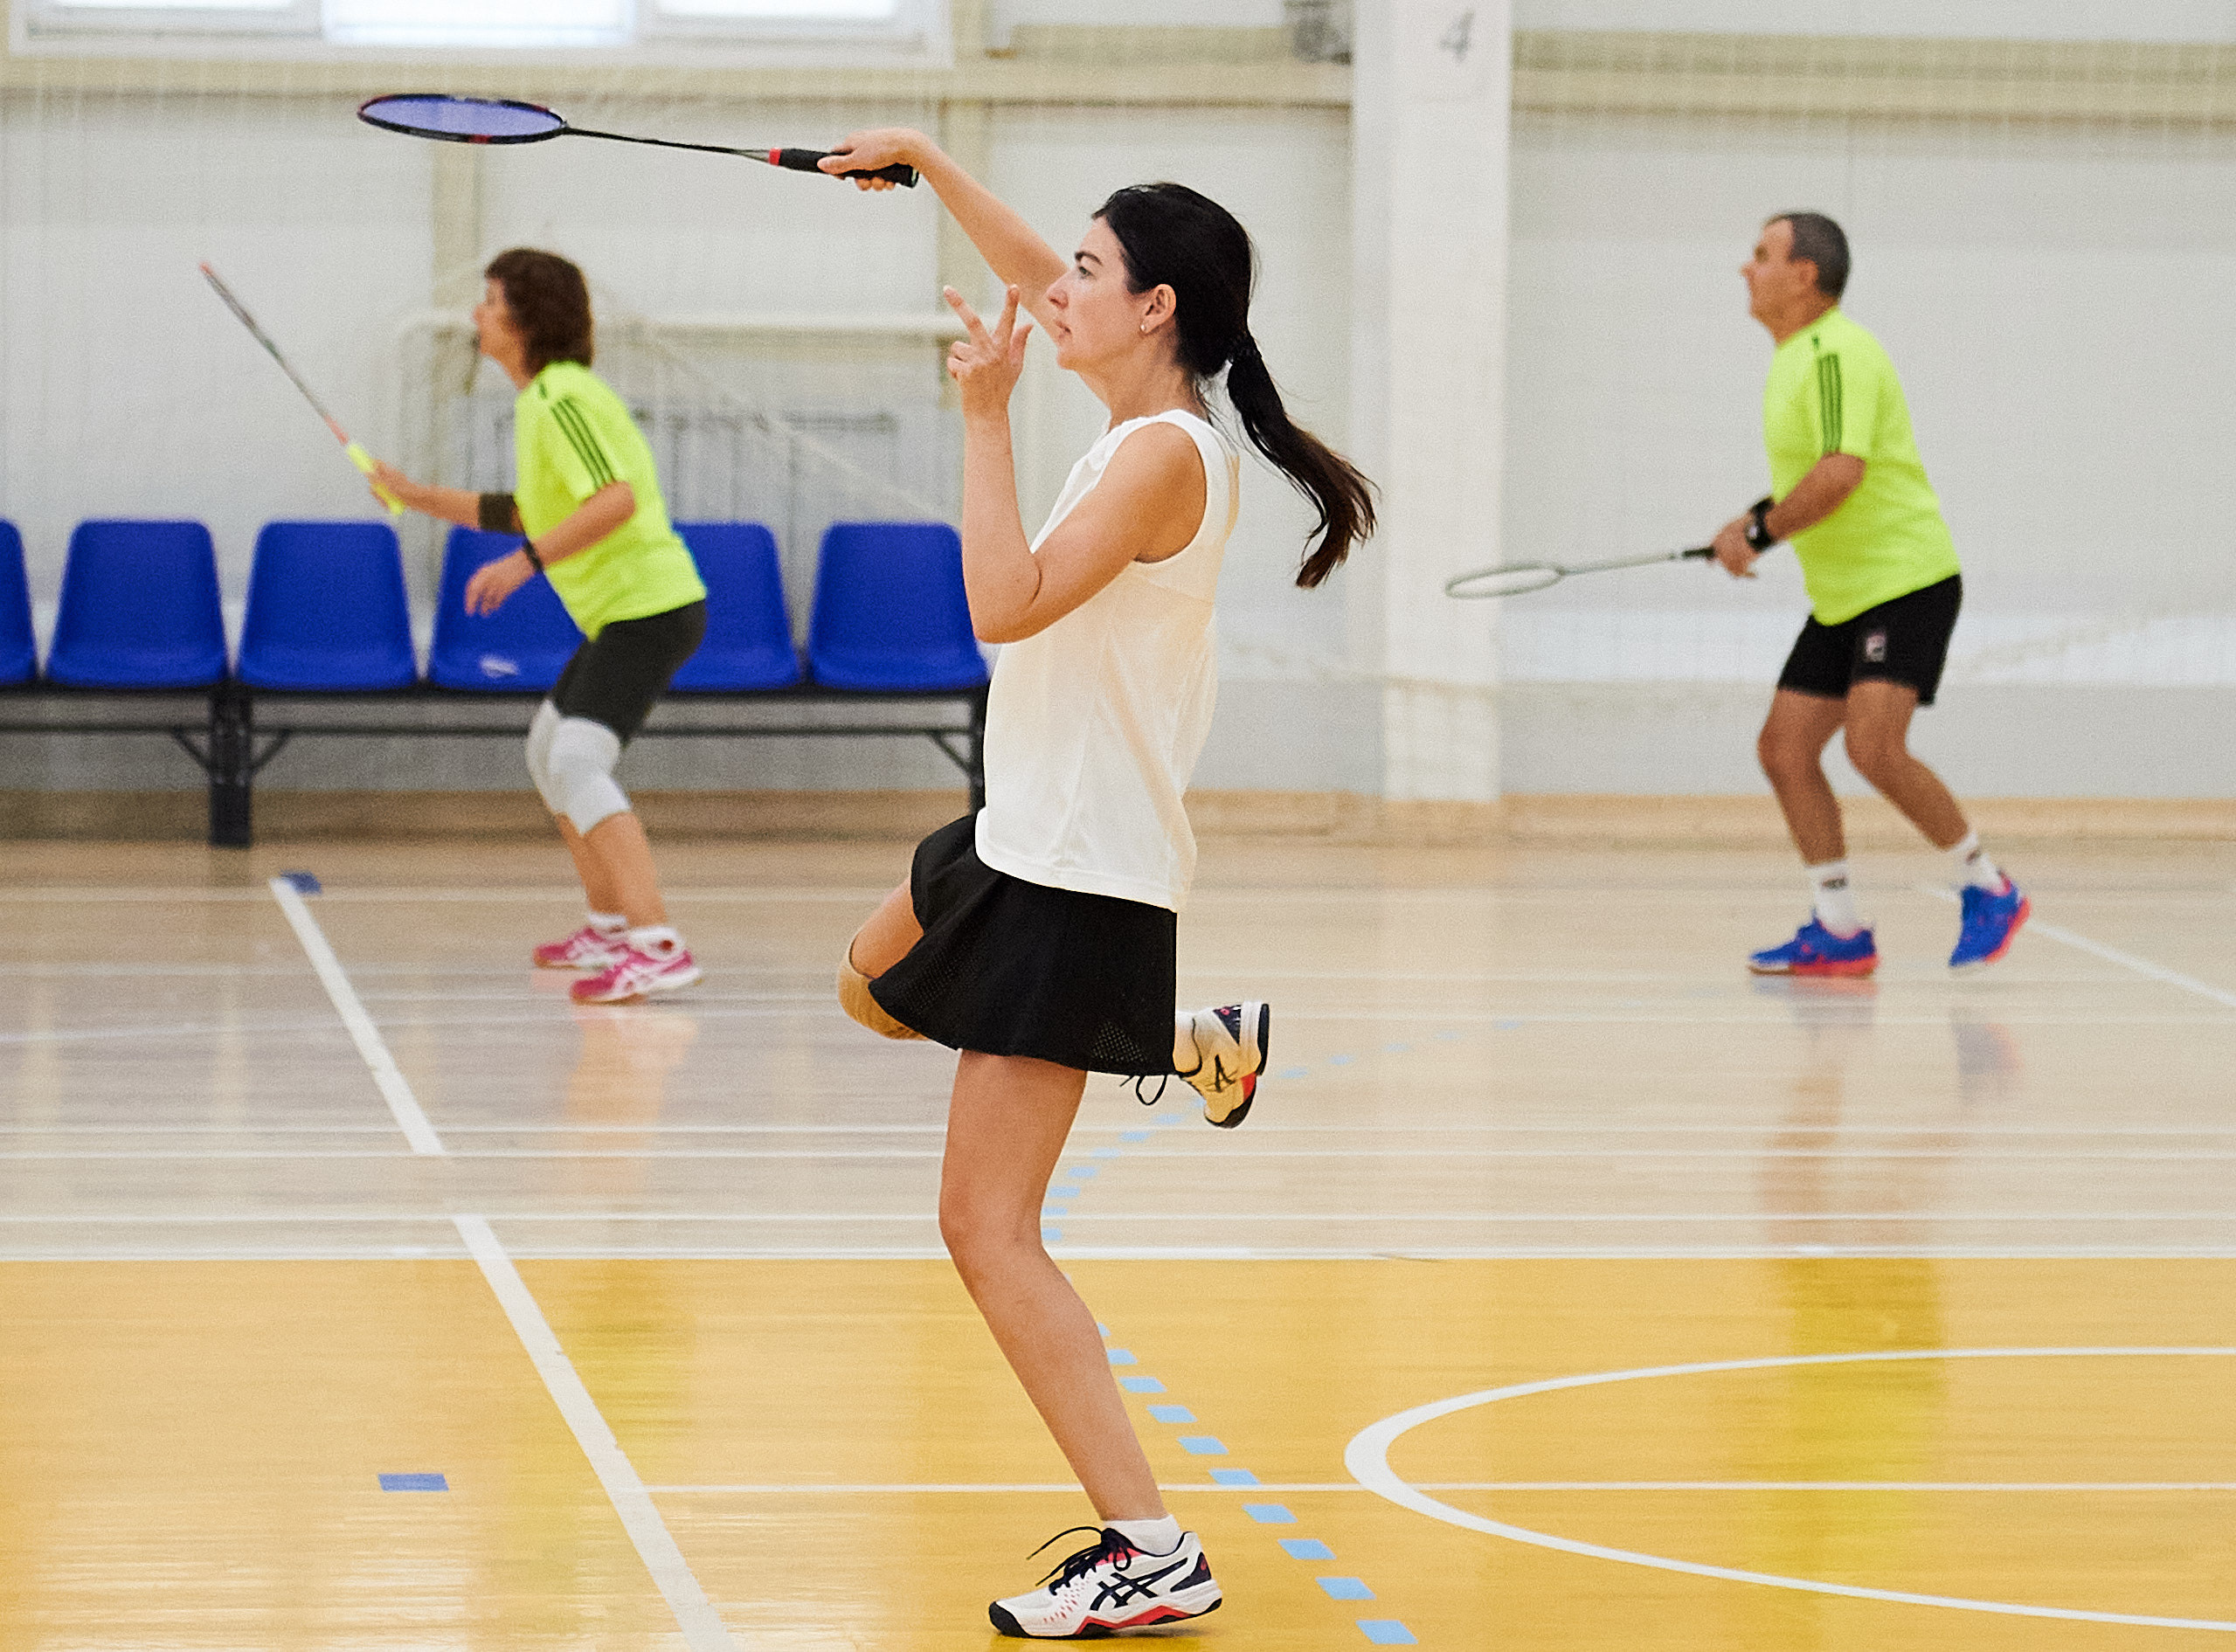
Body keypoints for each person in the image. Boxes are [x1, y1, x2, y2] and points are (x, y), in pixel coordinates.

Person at [819, 129, 1374, 1637]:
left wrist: (980, 422)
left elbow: (999, 606)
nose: (1048, 287)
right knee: (865, 983)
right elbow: (1029, 274)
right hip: (1016, 835)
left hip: (1079, 877)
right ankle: (1187, 1043)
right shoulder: (1139, 405)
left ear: (1157, 312)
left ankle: (1149, 1546)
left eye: (1083, 270)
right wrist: (930, 161)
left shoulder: (1157, 460)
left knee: (984, 1232)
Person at [371, 249, 709, 1005]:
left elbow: (614, 500)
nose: (475, 317)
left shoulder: (562, 397)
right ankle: (611, 925)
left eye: (488, 302)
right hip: (620, 612)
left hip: (648, 607)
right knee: (547, 751)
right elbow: (537, 510)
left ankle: (657, 942)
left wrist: (520, 565)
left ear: (524, 320)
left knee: (579, 760)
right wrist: (415, 495)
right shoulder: (541, 401)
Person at [1713, 211, 2028, 977]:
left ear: (1804, 275)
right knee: (1784, 750)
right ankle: (1839, 928)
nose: (1744, 269)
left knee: (1871, 746)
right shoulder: (1792, 358)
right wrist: (1754, 519)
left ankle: (1990, 887)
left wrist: (1756, 536)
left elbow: (1840, 474)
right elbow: (1810, 480)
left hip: (1904, 581)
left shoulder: (1836, 351)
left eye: (1760, 256)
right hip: (1843, 593)